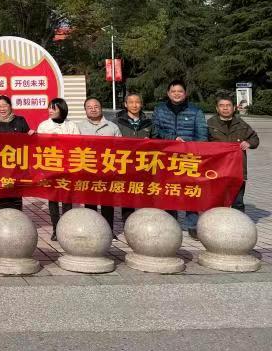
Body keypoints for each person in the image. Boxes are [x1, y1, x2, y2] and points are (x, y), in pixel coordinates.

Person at [152, 79, 207, 238]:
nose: (177, 94)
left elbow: (202, 136)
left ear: (185, 93)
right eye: (173, 91)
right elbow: (154, 131)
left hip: (189, 158)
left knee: (190, 191)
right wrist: (172, 138)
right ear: (168, 93)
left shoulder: (196, 111)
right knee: (169, 190)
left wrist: (192, 150)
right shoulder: (160, 110)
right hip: (166, 157)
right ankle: (171, 223)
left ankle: (193, 225)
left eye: (180, 91)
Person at [207, 94, 260, 214]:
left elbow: (255, 139)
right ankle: (216, 223)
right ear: (217, 108)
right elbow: (201, 143)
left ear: (234, 107)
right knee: (216, 201)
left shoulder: (241, 124)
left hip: (237, 170)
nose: (225, 108)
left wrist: (249, 143)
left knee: (238, 202)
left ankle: (239, 224)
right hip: (216, 171)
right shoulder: (209, 124)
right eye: (222, 105)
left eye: (228, 105)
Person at [77, 97, 121, 235]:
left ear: (101, 108)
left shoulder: (112, 127)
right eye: (89, 107)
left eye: (96, 106)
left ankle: (108, 231)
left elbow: (121, 148)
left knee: (107, 202)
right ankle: (92, 231)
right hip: (88, 169)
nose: (93, 109)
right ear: (85, 110)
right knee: (90, 202)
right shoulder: (79, 127)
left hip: (107, 169)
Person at [36, 98, 79, 241]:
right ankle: (55, 229)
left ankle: (66, 229)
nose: (50, 111)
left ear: (62, 109)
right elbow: (40, 147)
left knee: (67, 199)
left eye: (53, 108)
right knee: (53, 199)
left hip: (67, 167)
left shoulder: (72, 125)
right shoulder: (43, 126)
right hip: (51, 167)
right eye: (49, 108)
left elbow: (77, 146)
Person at [0, 95, 31, 212]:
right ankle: (3, 218)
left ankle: (18, 218)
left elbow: (28, 141)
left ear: (10, 106)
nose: (2, 109)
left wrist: (32, 134)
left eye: (4, 105)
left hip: (17, 165)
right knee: (2, 194)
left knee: (17, 195)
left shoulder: (20, 121)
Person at [114, 93, 154, 226]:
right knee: (128, 193)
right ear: (125, 104)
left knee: (145, 193)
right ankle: (128, 222)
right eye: (131, 102)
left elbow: (157, 140)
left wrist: (151, 142)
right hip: (126, 163)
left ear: (141, 104)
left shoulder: (149, 122)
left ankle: (146, 222)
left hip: (145, 164)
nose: (134, 105)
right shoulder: (117, 122)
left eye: (137, 102)